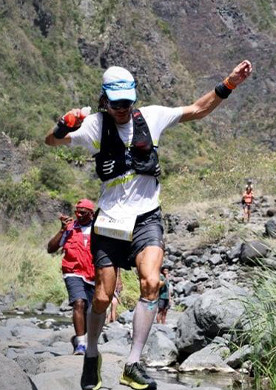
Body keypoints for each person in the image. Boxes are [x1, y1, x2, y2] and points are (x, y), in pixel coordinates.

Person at [45, 59, 253, 390]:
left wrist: (229, 83)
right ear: (105, 100)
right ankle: (92, 355)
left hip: (147, 218)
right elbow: (52, 143)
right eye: (117, 103)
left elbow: (198, 109)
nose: (124, 109)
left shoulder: (151, 117)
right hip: (110, 223)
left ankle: (132, 363)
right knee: (101, 297)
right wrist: (62, 126)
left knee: (151, 284)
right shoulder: (95, 127)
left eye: (128, 102)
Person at [47, 198, 96, 355]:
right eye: (77, 212)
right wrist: (62, 230)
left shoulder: (99, 229)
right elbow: (51, 248)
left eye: (83, 212)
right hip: (72, 272)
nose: (79, 215)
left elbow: (111, 255)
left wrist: (118, 279)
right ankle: (81, 344)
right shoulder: (69, 228)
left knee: (90, 311)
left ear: (91, 214)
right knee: (79, 303)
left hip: (93, 275)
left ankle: (81, 338)